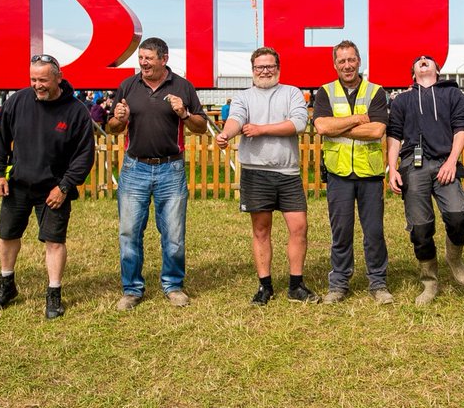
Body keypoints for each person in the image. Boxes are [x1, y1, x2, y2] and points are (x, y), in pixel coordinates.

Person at [0, 55, 95, 319]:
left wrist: (65, 187)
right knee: (7, 235)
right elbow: (0, 140)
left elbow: (84, 155)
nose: (38, 85)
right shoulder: (17, 102)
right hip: (18, 186)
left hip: (54, 190)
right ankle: (6, 284)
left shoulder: (76, 110)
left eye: (43, 80)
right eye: (33, 79)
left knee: (54, 241)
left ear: (58, 77)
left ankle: (53, 293)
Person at [106, 37, 208, 310]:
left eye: (149, 58)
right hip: (134, 168)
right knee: (129, 232)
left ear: (164, 59)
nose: (143, 63)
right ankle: (132, 289)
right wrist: (119, 118)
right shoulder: (128, 86)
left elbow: (201, 127)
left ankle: (173, 285)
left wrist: (184, 113)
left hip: (171, 169)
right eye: (141, 58)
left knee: (174, 233)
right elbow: (113, 128)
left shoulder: (182, 86)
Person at [215, 47, 320, 305]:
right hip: (255, 171)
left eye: (269, 66)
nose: (265, 71)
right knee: (261, 230)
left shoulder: (292, 93)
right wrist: (226, 133)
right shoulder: (243, 97)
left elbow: (298, 123)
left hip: (288, 172)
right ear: (252, 71)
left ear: (278, 68)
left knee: (299, 228)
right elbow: (236, 119)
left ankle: (296, 285)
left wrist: (261, 129)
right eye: (260, 67)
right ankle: (265, 286)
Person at [311, 40, 394, 304]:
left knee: (374, 232)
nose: (347, 65)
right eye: (341, 61)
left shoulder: (376, 92)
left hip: (369, 174)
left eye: (351, 60)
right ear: (334, 64)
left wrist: (340, 126)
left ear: (359, 61)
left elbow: (377, 131)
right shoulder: (324, 92)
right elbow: (322, 127)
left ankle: (378, 284)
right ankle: (338, 284)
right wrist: (359, 118)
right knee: (341, 232)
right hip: (339, 174)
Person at [387, 54, 464, 305]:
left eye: (428, 59)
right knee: (420, 226)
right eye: (418, 60)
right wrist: (392, 169)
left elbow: (460, 129)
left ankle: (454, 257)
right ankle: (429, 280)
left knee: (458, 213)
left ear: (437, 68)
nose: (423, 60)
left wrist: (451, 161)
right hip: (413, 167)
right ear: (413, 72)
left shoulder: (452, 95)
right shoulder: (402, 99)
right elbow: (393, 136)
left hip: (445, 162)